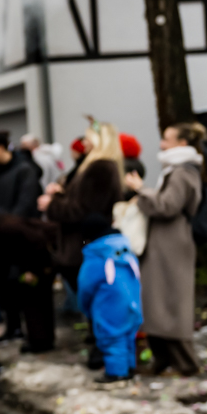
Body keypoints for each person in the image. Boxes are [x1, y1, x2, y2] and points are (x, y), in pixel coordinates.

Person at [41, 123, 127, 370]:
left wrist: (52, 204)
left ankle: (104, 352)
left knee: (97, 303)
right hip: (82, 246)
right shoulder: (96, 167)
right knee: (94, 303)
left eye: (89, 140)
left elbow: (83, 210)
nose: (84, 144)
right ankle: (102, 350)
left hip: (85, 246)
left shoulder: (99, 168)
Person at [127, 122, 207, 376]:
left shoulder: (182, 172)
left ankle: (185, 363)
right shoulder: (179, 170)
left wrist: (141, 189)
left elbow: (167, 206)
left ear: (182, 143)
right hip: (166, 243)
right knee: (158, 300)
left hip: (171, 244)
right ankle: (164, 359)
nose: (161, 144)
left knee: (171, 301)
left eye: (167, 139)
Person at [0, 132, 51, 350]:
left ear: (1, 148)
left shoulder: (24, 170)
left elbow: (25, 205)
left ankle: (33, 334)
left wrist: (3, 222)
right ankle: (13, 327)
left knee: (25, 287)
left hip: (21, 238)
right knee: (5, 285)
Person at [77, 230, 143, 382]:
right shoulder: (127, 252)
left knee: (112, 338)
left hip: (109, 305)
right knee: (128, 337)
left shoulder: (96, 256)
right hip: (132, 303)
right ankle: (129, 368)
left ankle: (116, 373)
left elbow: (85, 287)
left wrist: (85, 307)